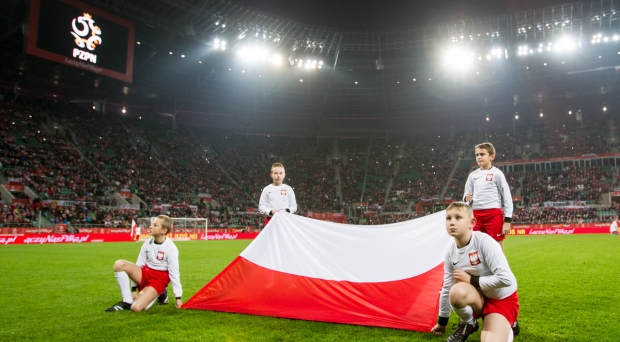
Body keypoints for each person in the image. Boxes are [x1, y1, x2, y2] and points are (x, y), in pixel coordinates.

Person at [431, 202, 519, 342]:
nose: (452, 222)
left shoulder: (484, 242)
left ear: (472, 223)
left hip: (501, 299)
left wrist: (471, 280)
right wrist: (442, 322)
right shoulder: (450, 253)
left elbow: (506, 279)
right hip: (479, 298)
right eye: (449, 218)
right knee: (456, 291)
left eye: (458, 217)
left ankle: (508, 323)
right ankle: (469, 323)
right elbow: (447, 288)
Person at [105, 215, 182, 312]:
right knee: (119, 264)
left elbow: (174, 273)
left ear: (163, 231)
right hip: (145, 273)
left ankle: (161, 291)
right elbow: (139, 265)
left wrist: (178, 298)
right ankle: (127, 301)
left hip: (159, 279)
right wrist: (133, 289)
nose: (150, 227)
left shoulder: (171, 248)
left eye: (155, 225)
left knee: (136, 308)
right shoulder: (147, 243)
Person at [463, 142, 513, 251]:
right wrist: (466, 200)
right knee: (474, 245)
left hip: (493, 214)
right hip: (476, 215)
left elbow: (507, 197)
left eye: (482, 154)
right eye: (477, 155)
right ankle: (479, 268)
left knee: (496, 245)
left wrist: (507, 221)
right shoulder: (472, 175)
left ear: (492, 156)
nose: (479, 157)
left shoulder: (497, 173)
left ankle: (499, 268)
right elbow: (466, 197)